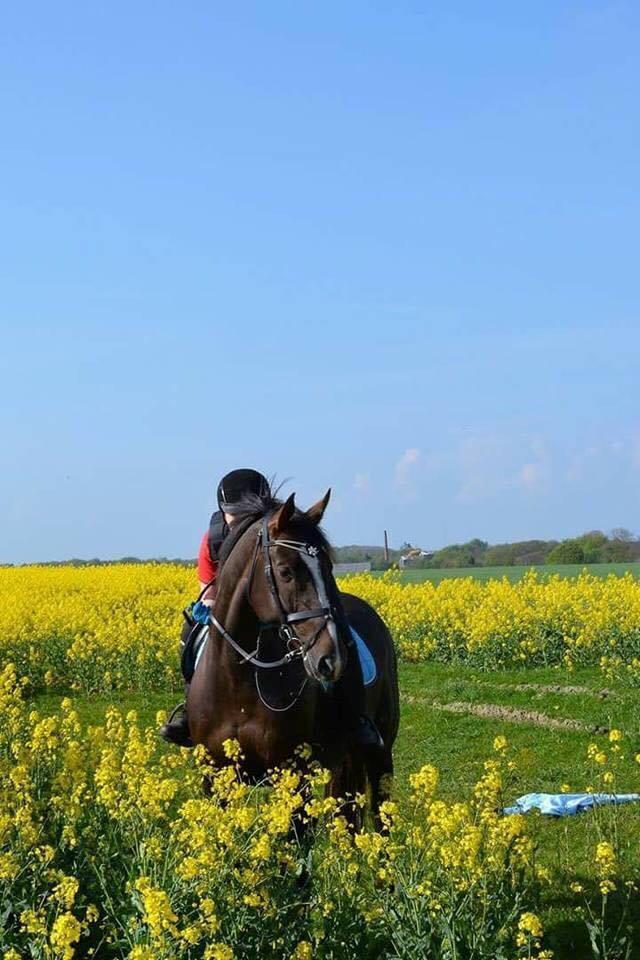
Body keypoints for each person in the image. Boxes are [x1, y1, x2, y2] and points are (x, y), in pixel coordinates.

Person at [159, 468, 383, 752]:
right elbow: (208, 587)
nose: (240, 521)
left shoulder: (282, 529)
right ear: (223, 512)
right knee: (192, 632)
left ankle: (353, 716)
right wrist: (213, 607)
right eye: (233, 515)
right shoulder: (214, 537)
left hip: (287, 607)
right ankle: (190, 709)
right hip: (232, 612)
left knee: (339, 634)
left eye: (246, 515)